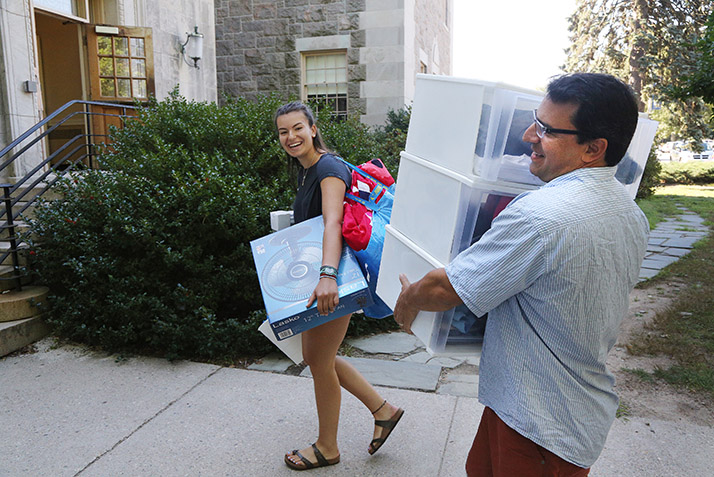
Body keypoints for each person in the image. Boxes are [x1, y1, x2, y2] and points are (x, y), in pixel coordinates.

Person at [393, 73, 650, 476]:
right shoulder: (630, 213)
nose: (529, 134)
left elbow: (447, 288)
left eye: (547, 129)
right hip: (535, 404)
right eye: (535, 120)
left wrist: (407, 301)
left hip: (541, 422)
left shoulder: (541, 215)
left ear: (593, 149)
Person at [274, 101, 404, 471]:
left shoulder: (328, 167)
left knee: (319, 361)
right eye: (283, 131)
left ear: (313, 129)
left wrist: (327, 275)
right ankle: (384, 411)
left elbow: (333, 224)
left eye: (298, 128)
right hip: (323, 279)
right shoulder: (305, 172)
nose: (291, 137)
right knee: (319, 358)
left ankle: (327, 447)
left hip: (334, 282)